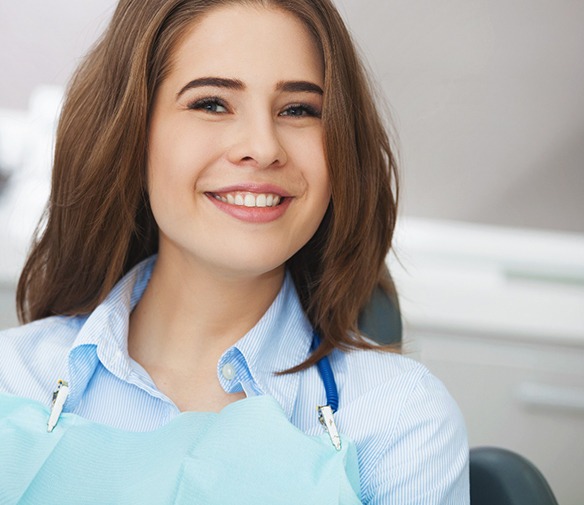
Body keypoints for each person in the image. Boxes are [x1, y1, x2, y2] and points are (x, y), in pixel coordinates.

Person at [0, 0, 469, 503]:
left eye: (299, 110)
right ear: (133, 133)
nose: (263, 147)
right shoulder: (13, 382)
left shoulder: (399, 421)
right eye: (212, 103)